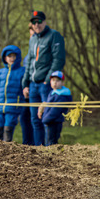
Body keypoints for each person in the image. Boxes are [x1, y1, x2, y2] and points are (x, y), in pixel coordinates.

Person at [22, 10, 66, 146]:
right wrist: (26, 83)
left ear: (44, 22)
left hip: (46, 84)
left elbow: (58, 60)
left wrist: (48, 79)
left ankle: (49, 148)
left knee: (47, 118)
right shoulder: (33, 38)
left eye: (39, 21)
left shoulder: (54, 36)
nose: (36, 25)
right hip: (33, 85)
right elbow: (29, 61)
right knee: (35, 119)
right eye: (34, 22)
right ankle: (38, 148)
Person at [0, 45, 26, 142]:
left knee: (8, 129)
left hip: (13, 107)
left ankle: (7, 151)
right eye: (9, 56)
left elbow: (24, 88)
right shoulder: (0, 72)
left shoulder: (22, 71)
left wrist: (20, 105)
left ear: (18, 57)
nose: (12, 58)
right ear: (5, 58)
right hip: (0, 107)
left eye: (14, 56)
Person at [38, 70, 71, 146]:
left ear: (63, 83)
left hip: (54, 121)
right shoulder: (52, 93)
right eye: (53, 80)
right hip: (49, 121)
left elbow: (55, 111)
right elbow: (48, 105)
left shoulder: (62, 95)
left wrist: (45, 119)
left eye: (57, 80)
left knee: (51, 142)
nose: (55, 82)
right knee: (49, 140)